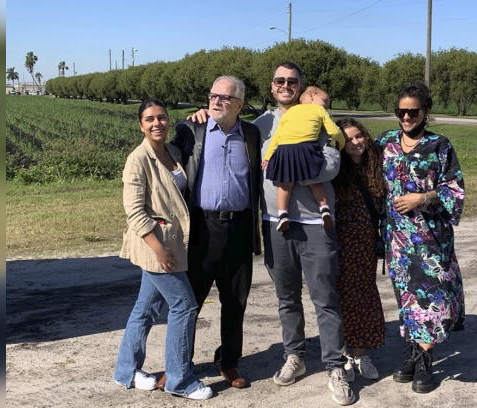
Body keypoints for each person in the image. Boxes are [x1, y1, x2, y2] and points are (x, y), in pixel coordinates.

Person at [185, 63, 354, 406]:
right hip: (274, 221)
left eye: (292, 81)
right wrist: (206, 112)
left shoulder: (317, 115)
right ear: (272, 86)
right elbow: (225, 131)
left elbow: (333, 165)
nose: (285, 85)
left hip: (315, 223)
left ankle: (336, 366)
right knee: (287, 298)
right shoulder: (260, 125)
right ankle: (295, 356)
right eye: (280, 80)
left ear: (302, 86)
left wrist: (294, 170)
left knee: (325, 297)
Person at [113, 100, 212, 400]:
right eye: (149, 119)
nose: (157, 123)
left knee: (146, 309)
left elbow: (188, 137)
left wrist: (199, 116)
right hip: (155, 246)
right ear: (140, 125)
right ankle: (179, 381)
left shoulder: (173, 152)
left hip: (173, 243)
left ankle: (126, 371)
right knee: (184, 306)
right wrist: (159, 250)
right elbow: (135, 212)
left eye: (162, 118)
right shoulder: (138, 159)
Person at [170, 76, 261, 390]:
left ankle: (229, 362)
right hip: (200, 228)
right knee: (190, 301)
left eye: (225, 97)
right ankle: (179, 364)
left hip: (238, 227)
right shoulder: (190, 130)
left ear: (238, 104)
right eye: (213, 95)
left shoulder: (251, 133)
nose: (216, 101)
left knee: (235, 301)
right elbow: (165, 163)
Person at [376, 82, 466, 394]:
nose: (406, 117)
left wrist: (422, 198)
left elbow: (454, 189)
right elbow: (361, 165)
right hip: (397, 238)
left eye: (412, 111)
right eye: (401, 111)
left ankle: (425, 358)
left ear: (425, 112)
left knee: (431, 298)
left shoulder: (439, 146)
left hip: (430, 238)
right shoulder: (386, 142)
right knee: (408, 298)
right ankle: (414, 352)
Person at [331, 118, 386, 382]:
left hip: (365, 244)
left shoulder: (376, 164)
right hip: (340, 243)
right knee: (340, 298)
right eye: (349, 139)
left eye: (358, 136)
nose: (355, 143)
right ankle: (344, 356)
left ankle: (361, 353)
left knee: (364, 295)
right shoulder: (335, 168)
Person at [261, 86, 345, 231]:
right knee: (315, 181)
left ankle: (282, 215)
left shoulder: (289, 112)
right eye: (325, 101)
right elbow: (333, 131)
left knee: (284, 185)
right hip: (307, 148)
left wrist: (268, 157)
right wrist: (341, 143)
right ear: (312, 96)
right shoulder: (319, 110)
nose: (326, 105)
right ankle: (324, 210)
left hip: (284, 150)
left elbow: (277, 137)